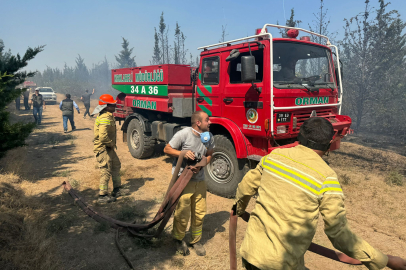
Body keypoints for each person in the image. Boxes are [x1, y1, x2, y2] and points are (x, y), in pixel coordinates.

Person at [233, 117, 406, 270]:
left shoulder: (273, 157)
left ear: (299, 136)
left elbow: (245, 188)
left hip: (251, 253)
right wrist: (385, 260)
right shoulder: (327, 178)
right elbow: (338, 233)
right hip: (281, 264)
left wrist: (239, 209)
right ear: (330, 143)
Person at [163, 111, 215, 257]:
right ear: (198, 123)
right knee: (182, 212)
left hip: (200, 180)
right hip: (183, 180)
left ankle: (195, 241)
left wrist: (202, 164)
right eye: (207, 120)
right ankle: (178, 239)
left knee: (199, 212)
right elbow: (166, 149)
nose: (210, 122)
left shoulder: (208, 137)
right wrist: (183, 153)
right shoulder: (184, 134)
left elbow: (210, 153)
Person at [92, 94, 128, 204]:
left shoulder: (108, 115)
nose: (115, 106)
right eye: (113, 104)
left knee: (116, 166)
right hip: (104, 149)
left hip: (109, 149)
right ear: (107, 106)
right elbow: (103, 137)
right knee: (106, 171)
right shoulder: (104, 117)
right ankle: (102, 195)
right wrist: (111, 144)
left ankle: (117, 189)